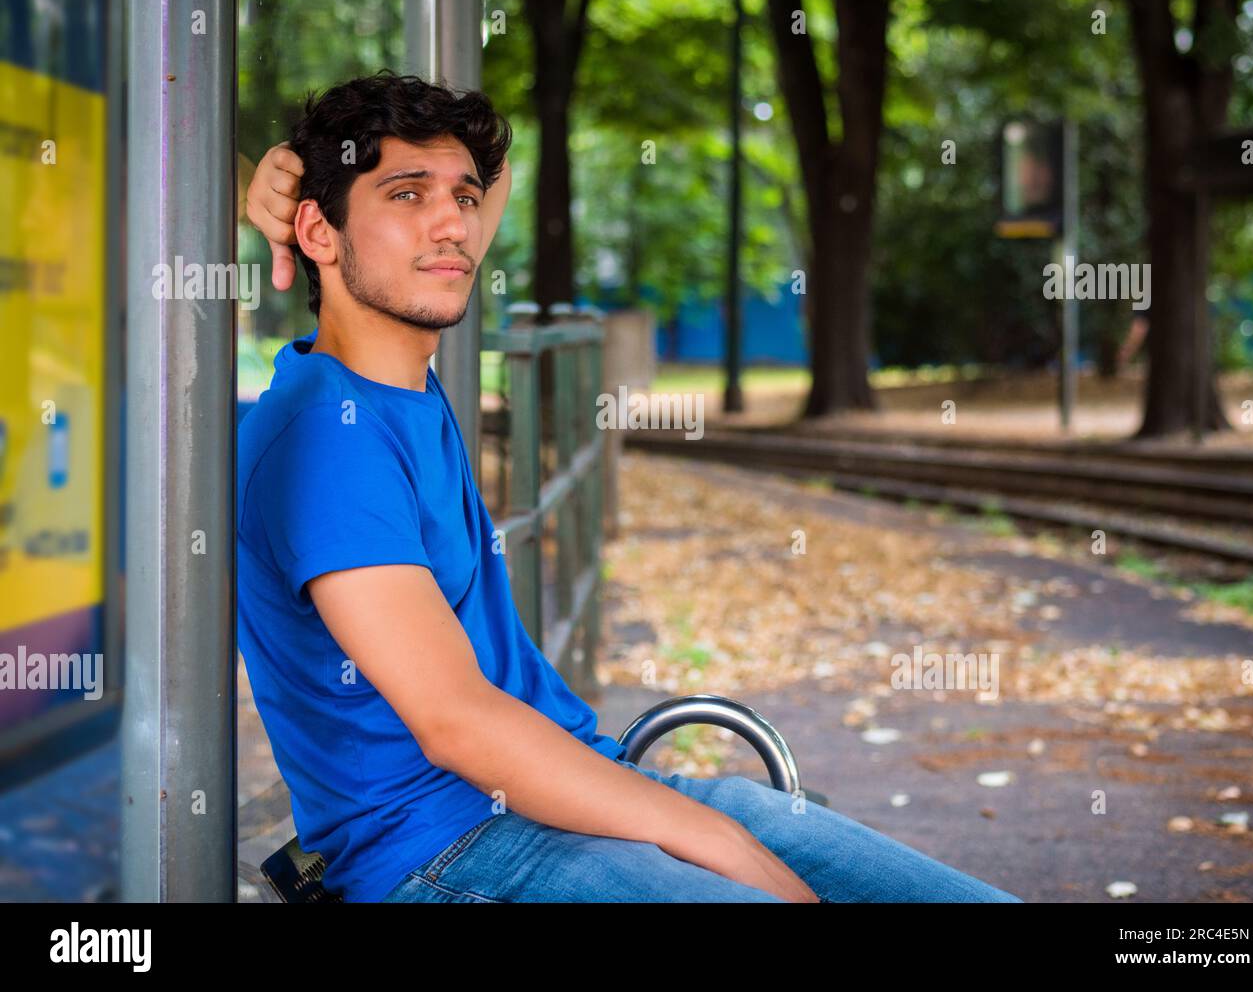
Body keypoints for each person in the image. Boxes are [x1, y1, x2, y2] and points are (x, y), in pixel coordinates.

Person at [238, 71, 1022, 904]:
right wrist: (714, 837)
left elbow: (478, 180)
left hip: (572, 789)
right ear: (319, 233)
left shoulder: (392, 372)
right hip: (447, 851)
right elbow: (454, 721)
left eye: (462, 200)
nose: (452, 224)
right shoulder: (328, 437)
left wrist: (293, 165)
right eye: (404, 193)